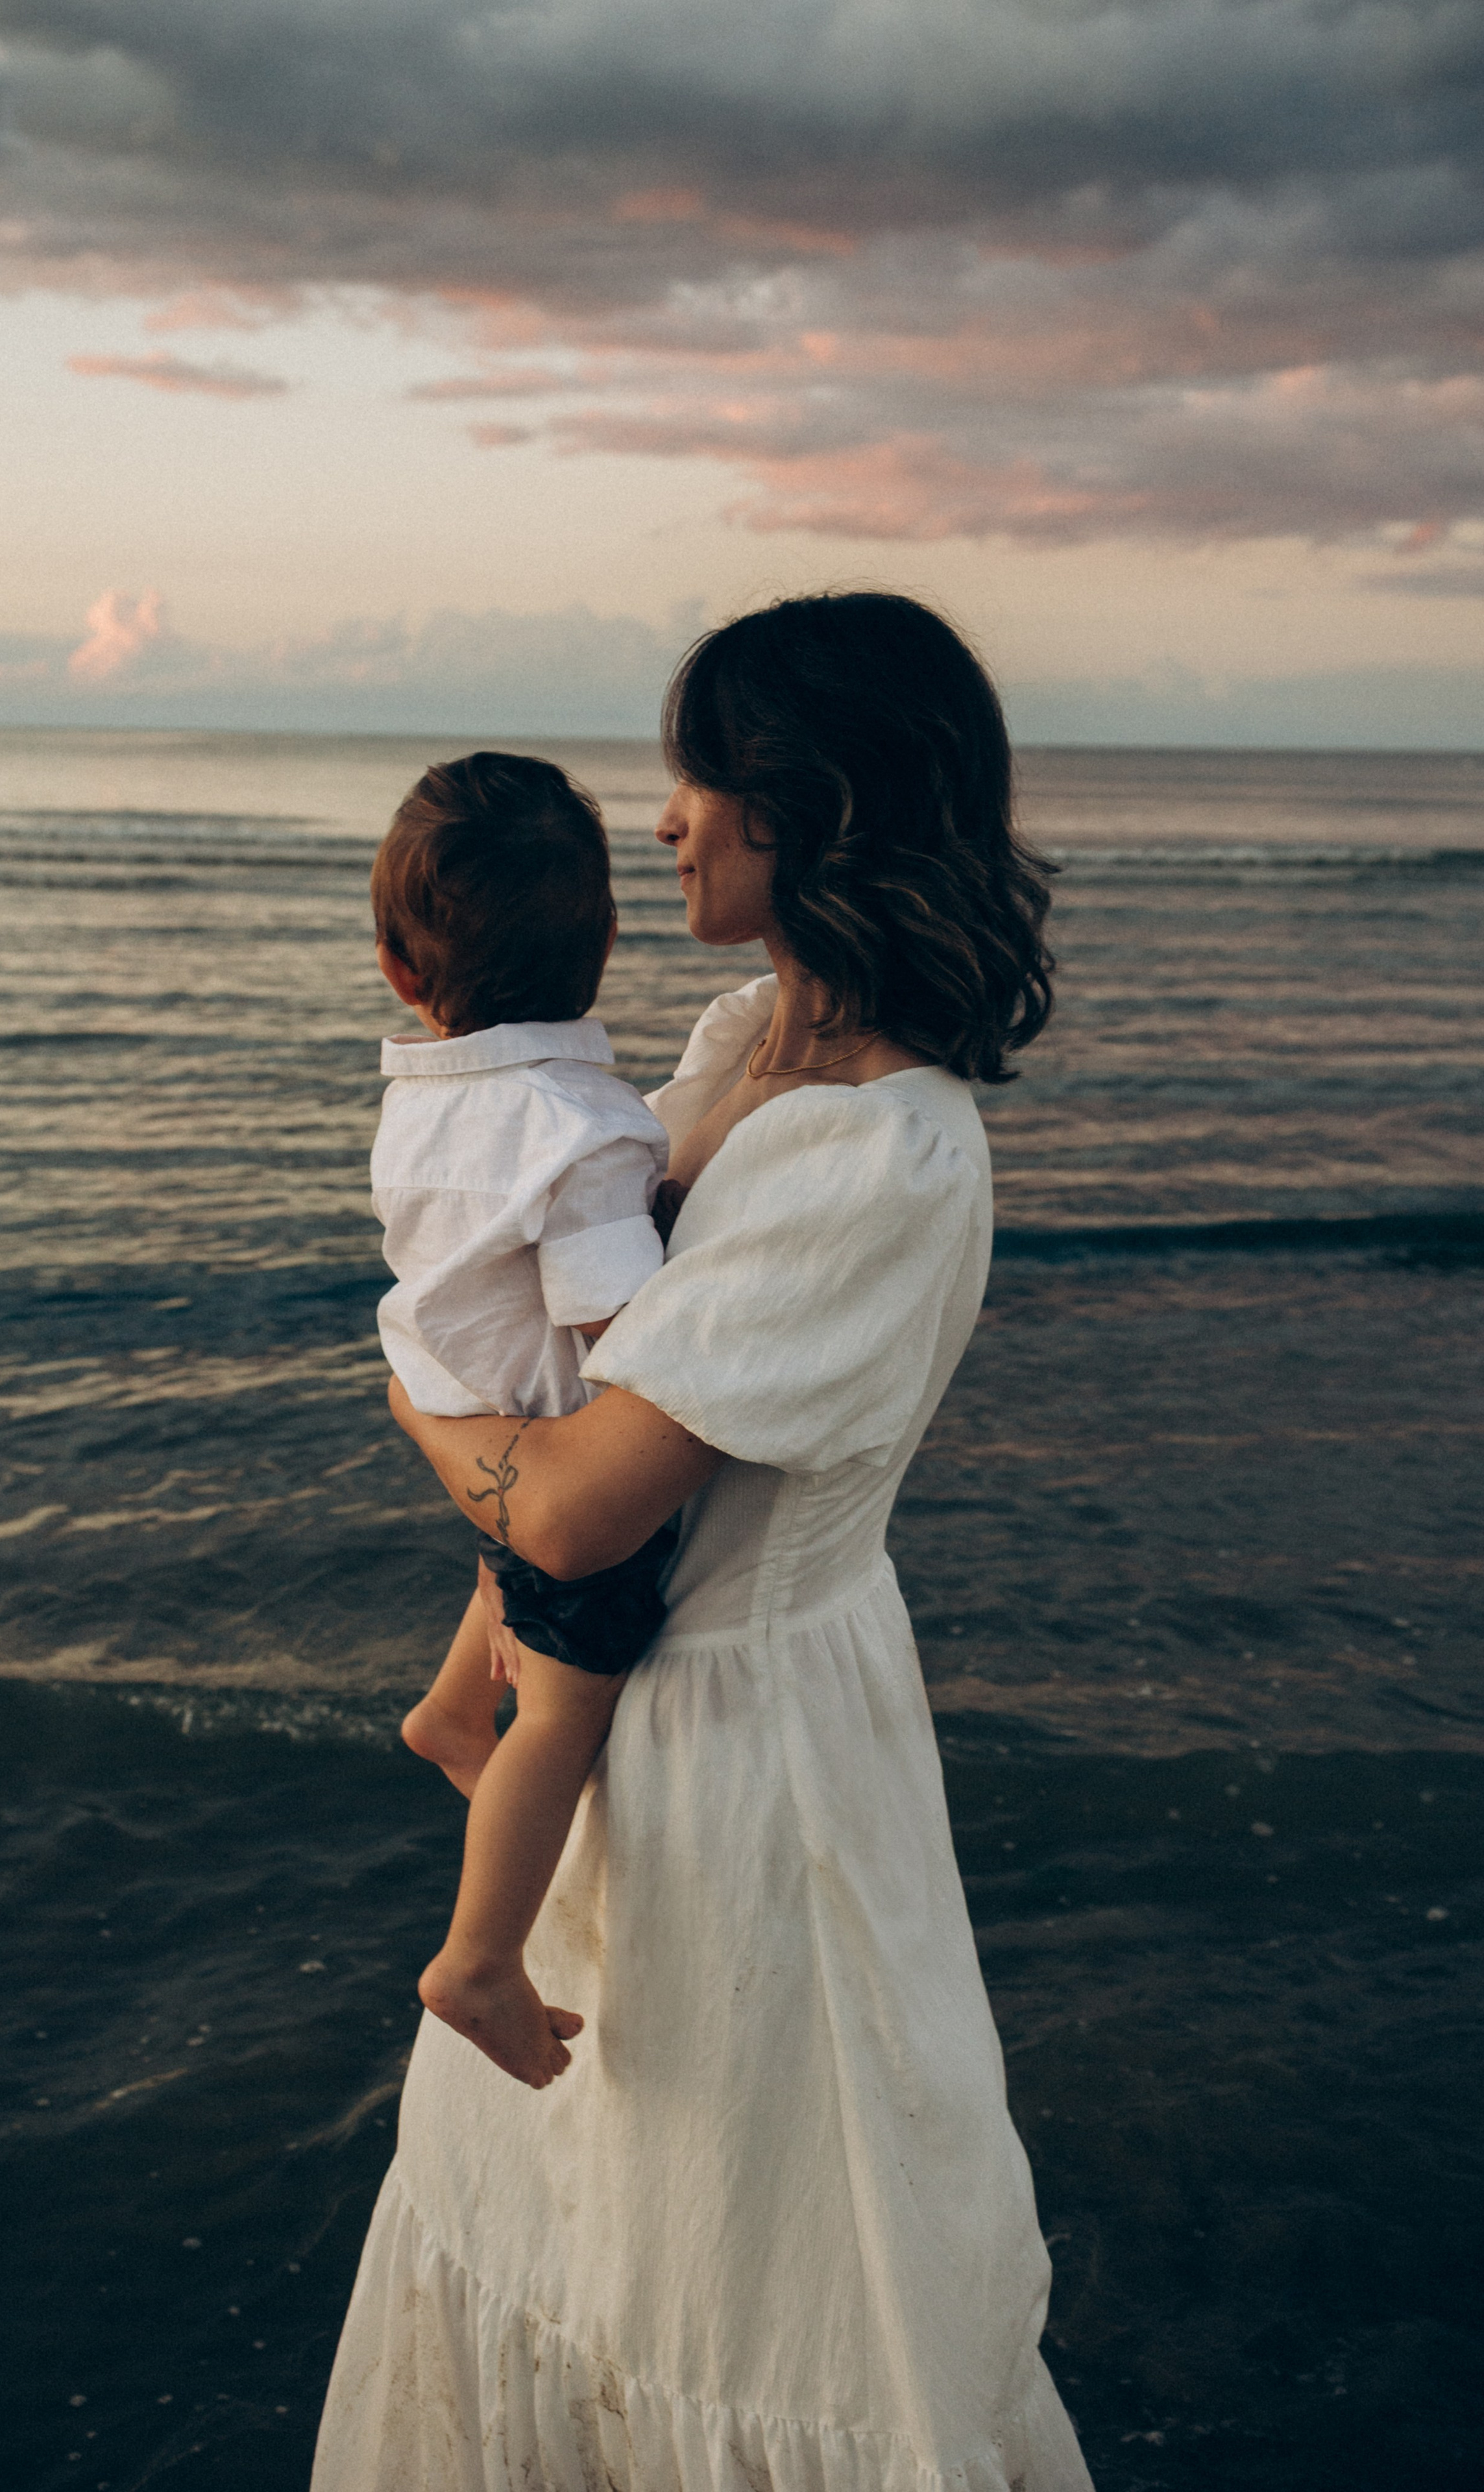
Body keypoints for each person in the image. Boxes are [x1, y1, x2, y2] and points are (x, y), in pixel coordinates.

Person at [315, 594, 1095, 2491]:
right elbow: (584, 1311)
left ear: (810, 805)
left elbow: (578, 1493)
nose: (662, 819)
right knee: (563, 2229)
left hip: (751, 1770)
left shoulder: (886, 1155)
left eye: (703, 777)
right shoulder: (748, 1037)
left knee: (750, 2286)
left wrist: (409, 1384)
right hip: (609, 1730)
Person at [370, 751, 676, 2088]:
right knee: (561, 1704)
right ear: (607, 940)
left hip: (453, 1383)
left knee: (506, 1560)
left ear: (397, 965)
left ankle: (446, 1711)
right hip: (541, 1427)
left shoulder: (424, 1098)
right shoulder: (582, 1128)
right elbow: (628, 1332)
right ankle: (479, 1955)